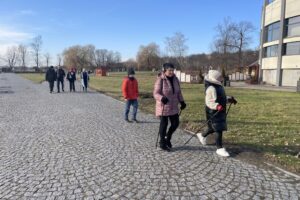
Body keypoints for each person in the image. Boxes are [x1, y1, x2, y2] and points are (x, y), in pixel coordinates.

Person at [196, 70, 237, 157]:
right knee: (218, 129)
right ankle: (219, 148)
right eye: (219, 78)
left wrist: (229, 99)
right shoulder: (211, 88)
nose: (221, 79)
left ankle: (202, 135)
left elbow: (221, 98)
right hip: (213, 111)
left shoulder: (219, 86)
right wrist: (217, 106)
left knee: (213, 127)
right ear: (214, 78)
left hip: (220, 111)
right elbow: (209, 102)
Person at [153, 63, 186, 151]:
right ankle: (162, 143)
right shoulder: (160, 79)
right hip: (163, 106)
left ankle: (168, 138)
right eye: (169, 70)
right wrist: (161, 98)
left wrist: (182, 102)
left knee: (175, 124)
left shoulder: (175, 79)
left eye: (172, 70)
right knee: (164, 124)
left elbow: (178, 92)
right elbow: (155, 93)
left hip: (174, 106)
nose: (171, 72)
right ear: (164, 70)